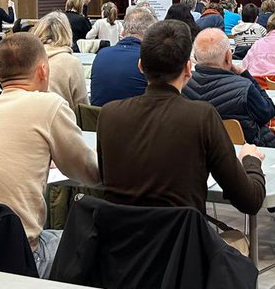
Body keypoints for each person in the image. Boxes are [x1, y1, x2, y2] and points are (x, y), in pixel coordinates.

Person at [0, 33, 99, 278]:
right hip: (14, 257)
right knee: (92, 241)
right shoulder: (49, 106)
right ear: (43, 71)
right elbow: (89, 172)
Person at [97, 20, 266, 217]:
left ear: (141, 67)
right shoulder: (202, 117)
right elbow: (250, 201)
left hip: (120, 243)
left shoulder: (109, 115)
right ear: (188, 69)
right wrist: (251, 161)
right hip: (183, 243)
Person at [184, 29, 275, 247]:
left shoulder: (184, 86)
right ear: (228, 57)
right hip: (252, 152)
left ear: (196, 58)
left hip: (205, 156)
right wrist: (245, 74)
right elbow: (268, 112)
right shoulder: (242, 87)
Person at [90, 5, 156, 106]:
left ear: (123, 32)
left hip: (99, 119)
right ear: (150, 34)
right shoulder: (150, 59)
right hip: (136, 119)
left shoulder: (101, 55)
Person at [34, 10, 88, 111]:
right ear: (67, 33)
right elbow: (81, 106)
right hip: (60, 120)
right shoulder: (72, 63)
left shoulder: (27, 58)